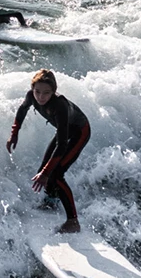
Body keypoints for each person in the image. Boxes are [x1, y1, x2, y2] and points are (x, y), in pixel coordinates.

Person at [6, 69, 91, 234]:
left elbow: (61, 146)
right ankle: (51, 202)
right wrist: (14, 134)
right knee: (43, 171)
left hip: (79, 132)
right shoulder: (31, 96)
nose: (40, 97)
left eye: (46, 93)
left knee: (55, 174)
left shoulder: (60, 105)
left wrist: (46, 173)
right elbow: (22, 110)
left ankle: (73, 221)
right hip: (63, 133)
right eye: (37, 91)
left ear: (53, 92)